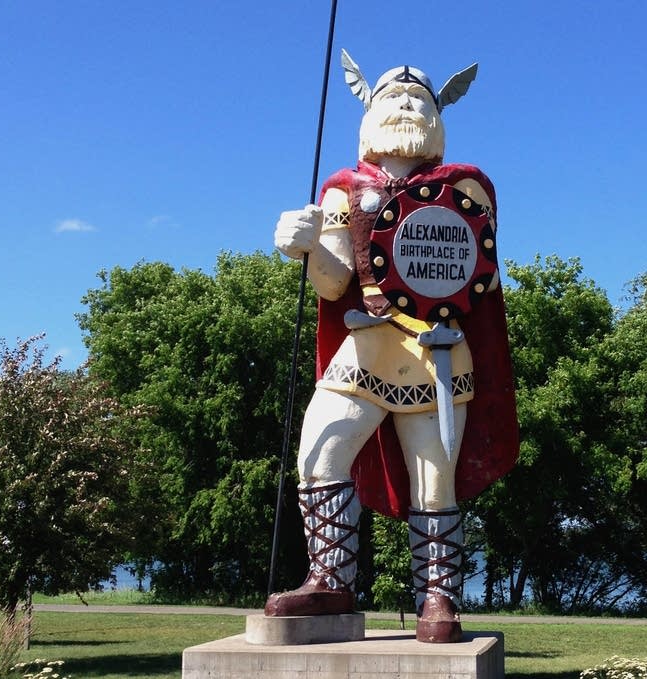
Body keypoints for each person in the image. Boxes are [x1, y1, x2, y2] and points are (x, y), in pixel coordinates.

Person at [267, 50, 518, 644]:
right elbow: (334, 283)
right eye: (392, 97)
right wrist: (306, 246)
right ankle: (330, 580)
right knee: (318, 455)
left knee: (435, 481)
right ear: (367, 110)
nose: (405, 104)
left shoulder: (465, 188)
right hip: (365, 349)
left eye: (417, 98)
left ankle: (438, 598)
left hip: (438, 354)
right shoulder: (344, 191)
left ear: (438, 113)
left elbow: (479, 275)